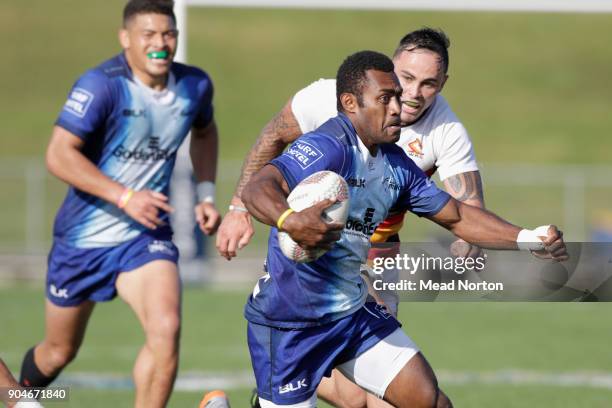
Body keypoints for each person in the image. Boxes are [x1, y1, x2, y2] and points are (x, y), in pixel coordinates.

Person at [241, 50, 567, 408]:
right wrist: (290, 220)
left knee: (429, 400)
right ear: (351, 103)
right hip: (289, 324)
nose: (399, 106)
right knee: (354, 403)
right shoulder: (327, 147)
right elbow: (260, 186)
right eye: (386, 98)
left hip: (351, 313)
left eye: (397, 96)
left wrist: (527, 239)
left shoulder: (397, 166)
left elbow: (457, 216)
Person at [217, 28, 483, 407]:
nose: (412, 93)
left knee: (375, 399)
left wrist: (466, 240)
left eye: (429, 84)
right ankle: (280, 381)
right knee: (359, 397)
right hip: (318, 255)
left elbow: (466, 206)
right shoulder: (328, 98)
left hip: (377, 259)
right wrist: (239, 208)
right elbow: (274, 136)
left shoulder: (446, 129)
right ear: (390, 72)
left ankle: (279, 383)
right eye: (405, 79)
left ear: (442, 84)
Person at [18, 1, 221, 407]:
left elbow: (205, 131)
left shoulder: (195, 85)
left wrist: (206, 193)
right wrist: (124, 196)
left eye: (168, 34)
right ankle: (18, 397)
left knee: (166, 328)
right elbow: (59, 154)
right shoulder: (101, 85)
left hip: (144, 237)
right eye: (148, 35)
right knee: (58, 352)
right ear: (125, 39)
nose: (160, 44)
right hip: (82, 240)